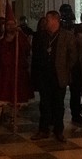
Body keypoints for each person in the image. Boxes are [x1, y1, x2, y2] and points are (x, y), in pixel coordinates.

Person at [31, 10, 77, 142]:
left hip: (59, 76)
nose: (45, 22)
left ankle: (58, 131)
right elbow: (36, 54)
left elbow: (73, 55)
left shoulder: (67, 36)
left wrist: (65, 69)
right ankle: (43, 129)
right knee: (44, 104)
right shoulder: (41, 36)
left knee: (58, 105)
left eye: (48, 20)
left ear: (55, 21)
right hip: (44, 75)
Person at [0, 1, 33, 132]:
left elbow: (27, 49)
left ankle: (13, 119)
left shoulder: (20, 37)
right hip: (3, 72)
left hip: (17, 72)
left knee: (16, 97)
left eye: (12, 24)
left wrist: (20, 37)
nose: (10, 27)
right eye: (8, 25)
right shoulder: (0, 39)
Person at [59, 3, 82, 125]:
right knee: (60, 91)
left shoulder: (77, 28)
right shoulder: (59, 28)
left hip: (75, 62)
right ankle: (57, 116)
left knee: (76, 91)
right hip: (61, 62)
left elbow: (80, 43)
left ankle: (76, 114)